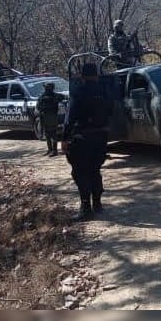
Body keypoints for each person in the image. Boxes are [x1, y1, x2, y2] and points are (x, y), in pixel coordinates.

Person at [62, 63, 113, 221]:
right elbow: (111, 111)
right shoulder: (105, 91)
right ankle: (97, 204)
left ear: (82, 76)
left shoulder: (79, 92)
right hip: (101, 137)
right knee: (95, 170)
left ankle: (86, 208)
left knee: (80, 172)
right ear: (96, 75)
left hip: (83, 138)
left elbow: (70, 118)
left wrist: (64, 138)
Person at [37, 81, 65, 157]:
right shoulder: (45, 96)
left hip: (52, 117)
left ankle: (54, 151)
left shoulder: (53, 96)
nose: (45, 89)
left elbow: (63, 98)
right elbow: (38, 106)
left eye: (46, 87)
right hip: (45, 116)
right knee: (47, 134)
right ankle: (50, 150)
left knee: (53, 134)